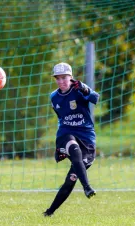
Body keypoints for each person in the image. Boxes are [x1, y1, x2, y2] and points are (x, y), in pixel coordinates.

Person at [43, 62, 100, 217]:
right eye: (58, 78)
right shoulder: (54, 97)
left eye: (64, 77)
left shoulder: (79, 90)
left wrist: (85, 89)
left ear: (71, 77)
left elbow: (96, 98)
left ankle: (49, 212)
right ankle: (87, 187)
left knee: (71, 179)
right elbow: (61, 118)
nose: (61, 81)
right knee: (74, 149)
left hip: (86, 138)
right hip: (66, 134)